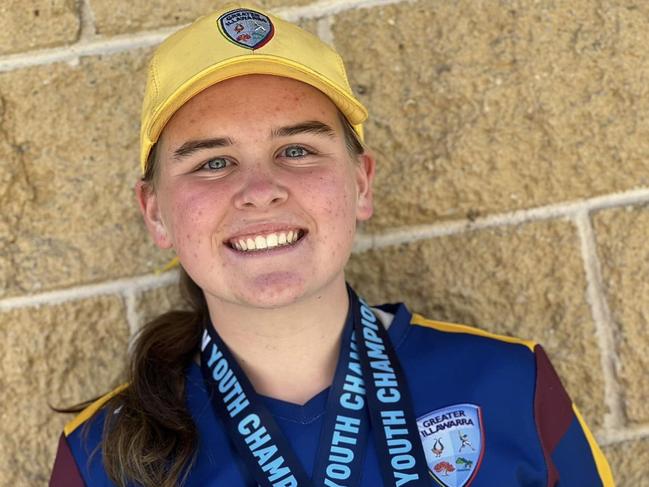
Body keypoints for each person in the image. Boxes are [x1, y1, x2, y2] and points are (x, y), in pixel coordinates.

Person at [49, 3, 615, 486]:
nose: (260, 191)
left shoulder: (512, 384)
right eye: (213, 162)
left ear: (362, 182)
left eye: (297, 150)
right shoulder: (99, 455)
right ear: (156, 213)